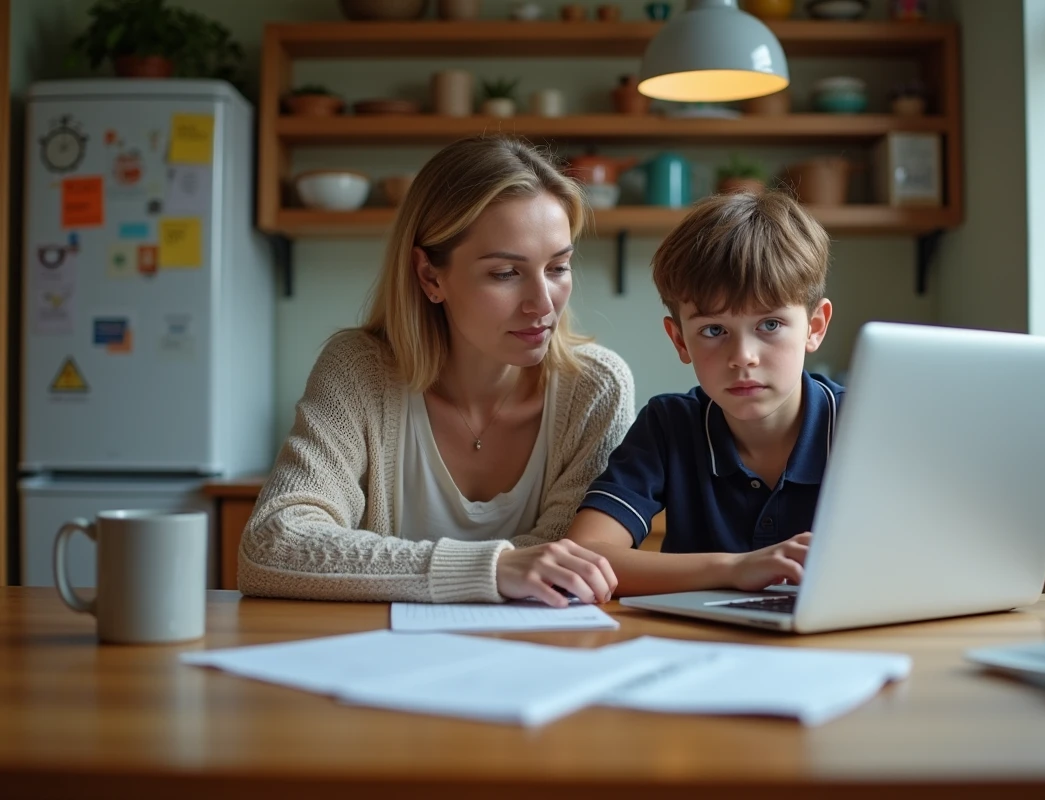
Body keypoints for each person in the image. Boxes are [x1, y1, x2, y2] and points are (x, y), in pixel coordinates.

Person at [239, 137, 632, 606]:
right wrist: (492, 568)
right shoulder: (359, 372)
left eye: (558, 267)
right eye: (506, 273)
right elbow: (271, 544)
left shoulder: (595, 389)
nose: (543, 304)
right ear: (430, 276)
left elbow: (572, 563)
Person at [566, 190, 842, 597]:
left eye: (770, 325)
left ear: (815, 327)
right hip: (695, 647)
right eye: (714, 331)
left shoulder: (863, 424)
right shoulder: (669, 426)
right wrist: (736, 568)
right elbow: (584, 555)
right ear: (680, 340)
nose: (743, 357)